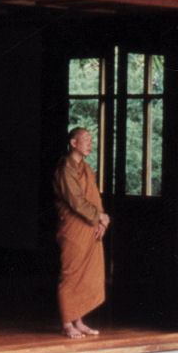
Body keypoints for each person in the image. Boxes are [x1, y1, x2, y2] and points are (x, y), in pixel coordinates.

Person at [52, 126, 109, 338]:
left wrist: (101, 220)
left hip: (89, 227)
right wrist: (98, 216)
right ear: (73, 143)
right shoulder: (66, 168)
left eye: (91, 140)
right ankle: (67, 323)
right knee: (71, 273)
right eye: (85, 139)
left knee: (86, 275)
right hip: (73, 228)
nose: (89, 143)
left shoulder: (86, 169)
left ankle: (79, 320)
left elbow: (93, 197)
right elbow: (75, 201)